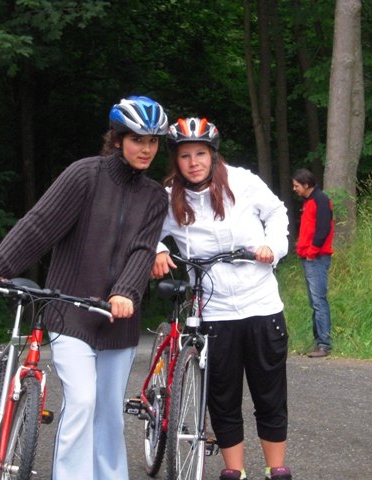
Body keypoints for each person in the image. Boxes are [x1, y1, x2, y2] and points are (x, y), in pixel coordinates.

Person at [0, 96, 169, 480]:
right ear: (118, 139)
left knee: (109, 413)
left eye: (153, 141)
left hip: (119, 320)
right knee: (83, 401)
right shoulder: (85, 175)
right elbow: (41, 224)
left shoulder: (154, 196)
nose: (146, 149)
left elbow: (143, 251)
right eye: (138, 139)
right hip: (70, 310)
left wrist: (125, 292)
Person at [152, 118, 292, 480]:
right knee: (223, 396)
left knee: (269, 393)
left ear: (213, 155)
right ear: (176, 160)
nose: (193, 162)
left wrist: (272, 246)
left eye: (200, 154)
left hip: (261, 303)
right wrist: (158, 251)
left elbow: (277, 212)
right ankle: (235, 470)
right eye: (185, 155)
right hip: (214, 310)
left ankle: (276, 468)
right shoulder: (169, 198)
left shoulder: (242, 181)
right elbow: (145, 231)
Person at [291, 168, 334, 358]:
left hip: (316, 258)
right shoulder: (309, 202)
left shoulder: (320, 200)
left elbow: (323, 228)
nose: (294, 189)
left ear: (306, 184)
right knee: (314, 302)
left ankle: (324, 344)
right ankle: (319, 342)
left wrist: (312, 252)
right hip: (309, 257)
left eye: (296, 185)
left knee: (319, 301)